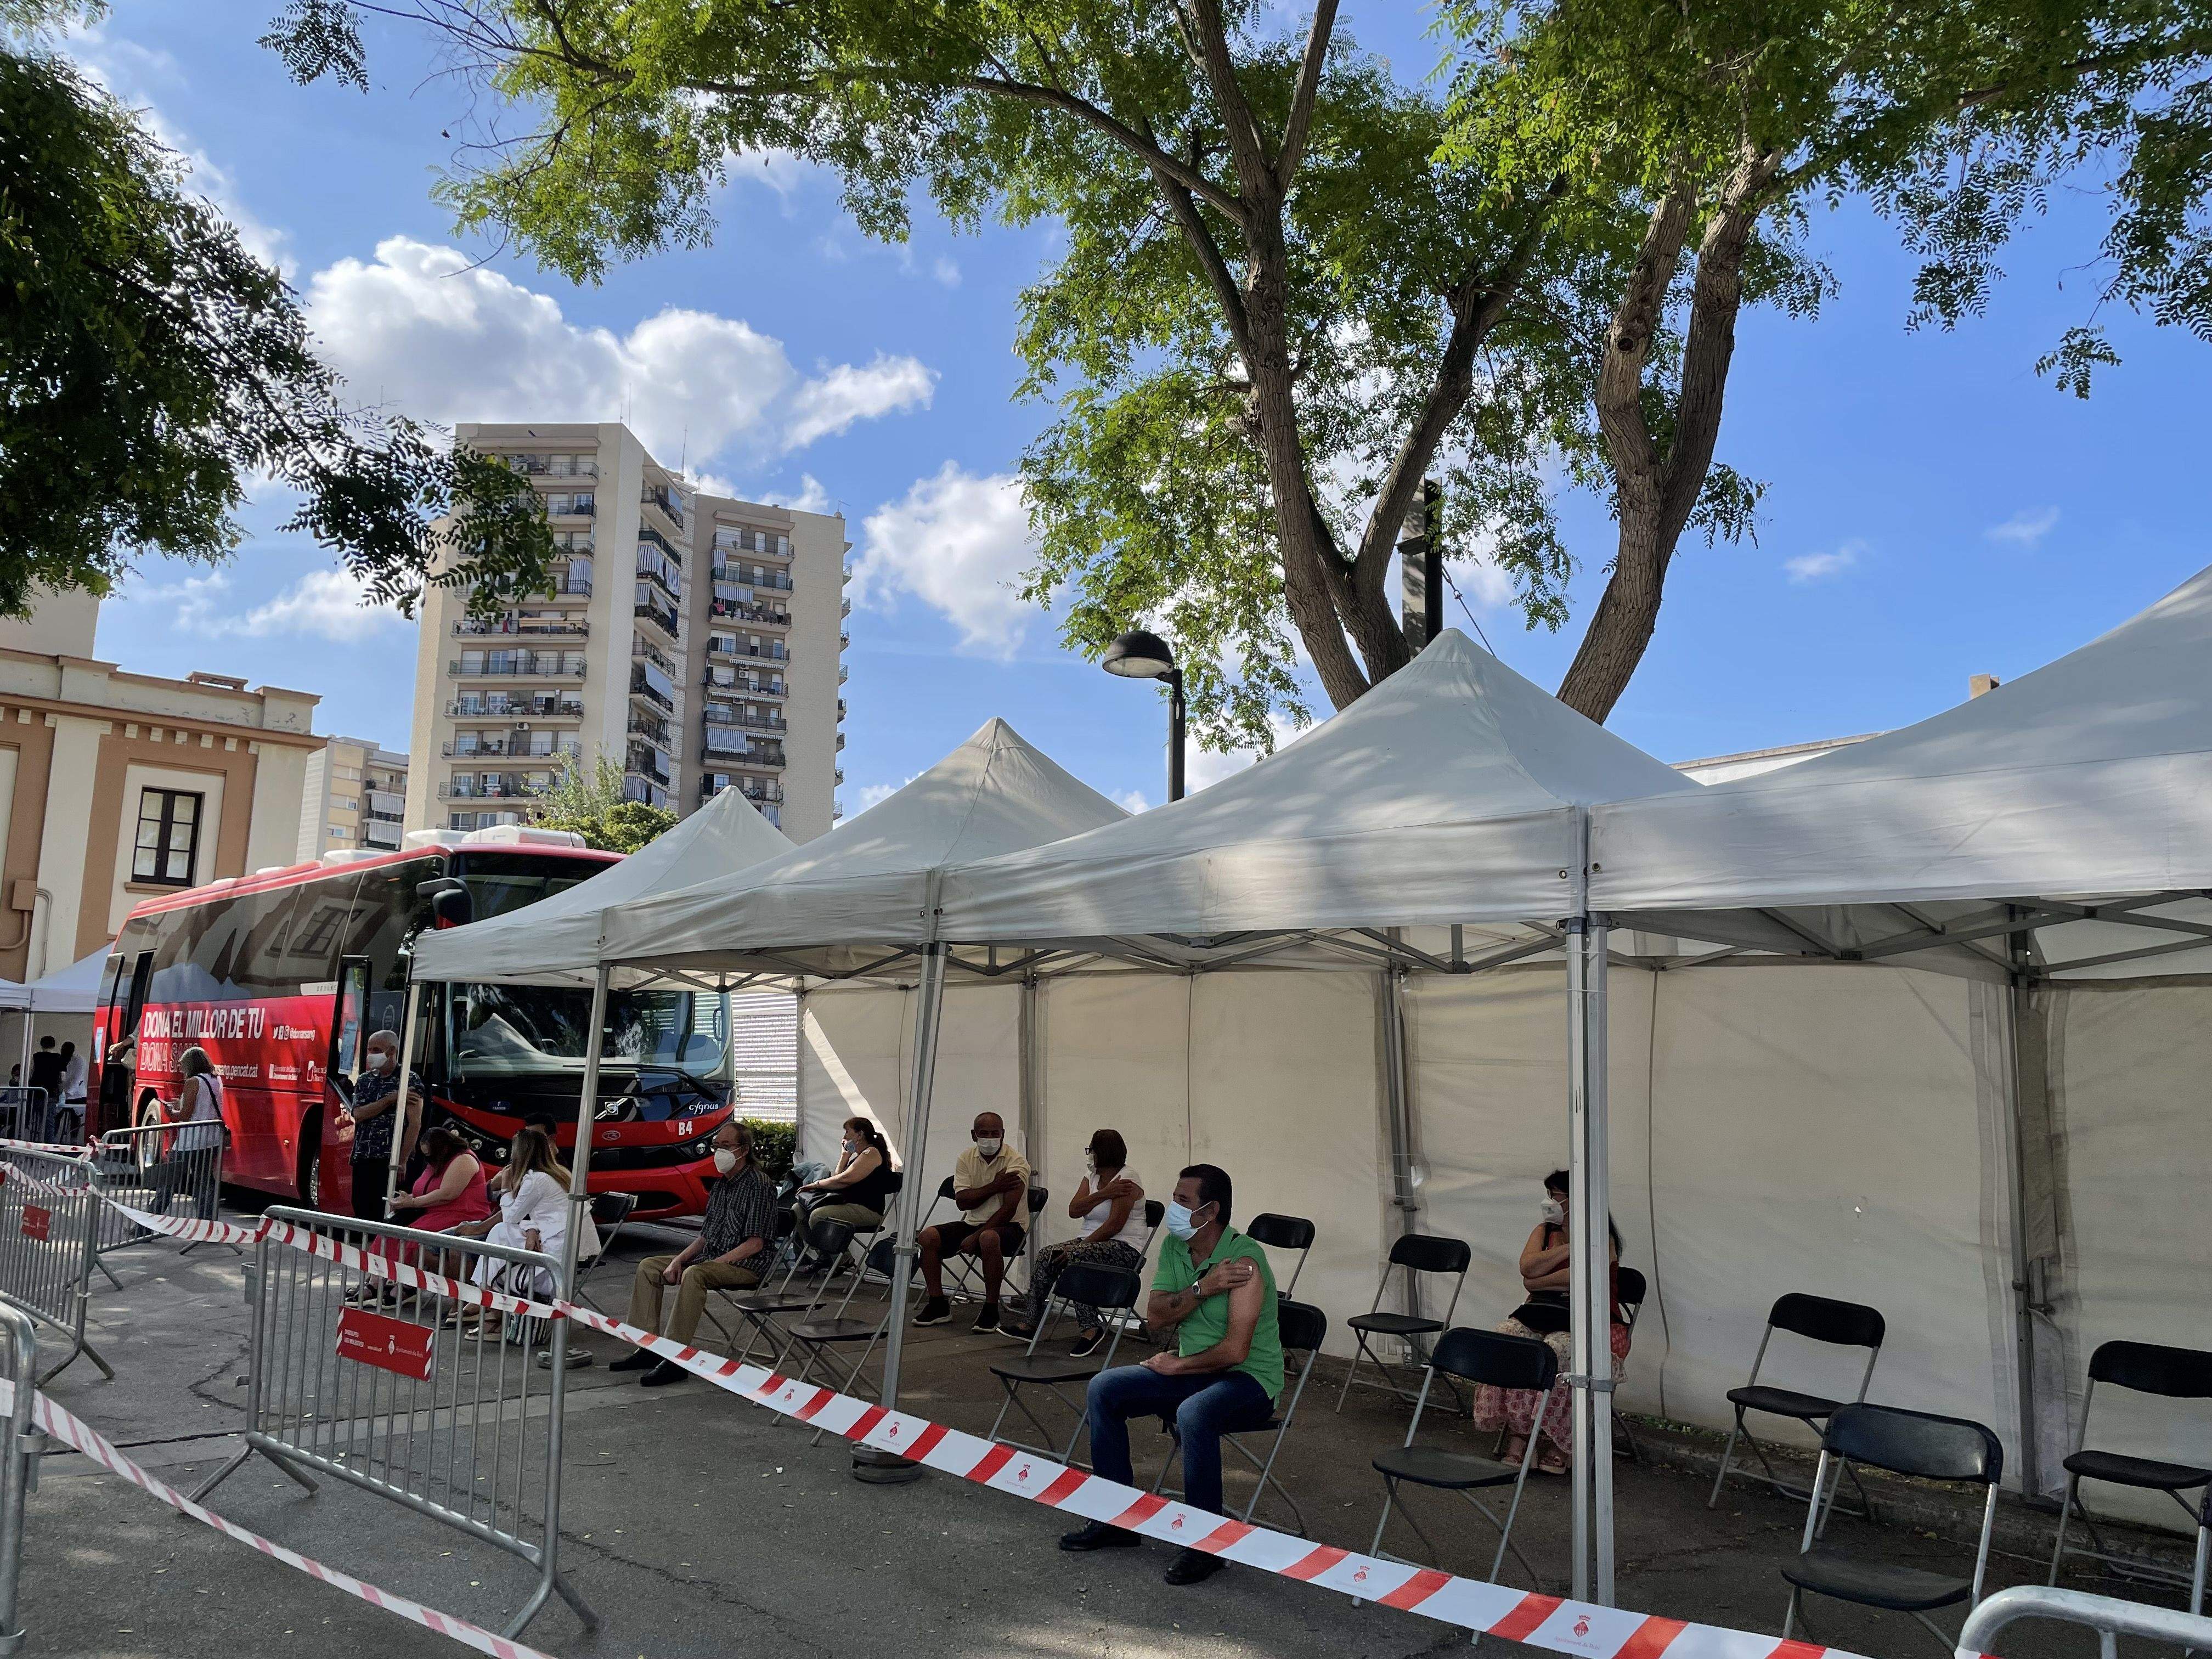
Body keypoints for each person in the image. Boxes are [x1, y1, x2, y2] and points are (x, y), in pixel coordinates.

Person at [1060, 1164, 1281, 1584]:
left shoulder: (1245, 1259)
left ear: (1210, 1210)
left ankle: (1204, 1545)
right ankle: (1116, 1520)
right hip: (1194, 1368)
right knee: (1105, 1388)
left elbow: (1236, 1351)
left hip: (1249, 1381)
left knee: (1195, 1414)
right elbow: (1157, 1317)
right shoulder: (1176, 1248)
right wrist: (1204, 1288)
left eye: (1183, 1201)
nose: (1174, 1208)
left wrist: (1177, 1364)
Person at [1469, 1169, 1630, 1477]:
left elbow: (1572, 1279)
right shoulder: (1544, 1231)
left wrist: (1540, 1279)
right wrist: (1570, 1250)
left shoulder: (1602, 1238)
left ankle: (1561, 1443)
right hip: (1543, 1314)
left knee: (1557, 1350)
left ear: (1577, 1199)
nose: (1549, 1201)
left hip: (1594, 1323)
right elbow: (1526, 1268)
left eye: (1555, 1195)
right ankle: (1521, 1435)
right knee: (1510, 1338)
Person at [610, 1121, 776, 1387]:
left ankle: (676, 1358)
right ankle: (647, 1346)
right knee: (649, 1266)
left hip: (745, 1264)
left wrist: (710, 1263)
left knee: (696, 1274)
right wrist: (678, 1260)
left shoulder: (759, 1185)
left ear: (743, 1150)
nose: (719, 1151)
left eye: (726, 1146)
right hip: (712, 1257)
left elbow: (755, 1244)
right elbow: (705, 1237)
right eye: (716, 1146)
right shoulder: (721, 1185)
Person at [1003, 1130, 1144, 1354]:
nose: (1089, 1156)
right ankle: (1030, 1323)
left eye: (1091, 1151)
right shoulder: (1092, 1178)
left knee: (1074, 1258)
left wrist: (1078, 1248)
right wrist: (1105, 1193)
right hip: (1090, 1242)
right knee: (1046, 1255)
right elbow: (1074, 1210)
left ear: (1103, 1153)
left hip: (1124, 1248)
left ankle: (1092, 1328)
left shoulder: (1127, 1179)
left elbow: (1114, 1225)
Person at [448, 1126, 600, 1334]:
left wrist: (505, 1187)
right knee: (500, 1234)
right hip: (567, 1246)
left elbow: (512, 1216)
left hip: (557, 1257)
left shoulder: (535, 1180)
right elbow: (537, 1215)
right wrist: (531, 1229)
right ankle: (488, 1301)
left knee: (500, 1236)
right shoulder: (558, 1173)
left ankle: (486, 1298)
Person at [912, 1111, 1031, 1332]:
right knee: (927, 1236)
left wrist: (976, 1236)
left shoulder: (1017, 1163)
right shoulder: (966, 1158)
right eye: (984, 1133)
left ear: (1003, 1134)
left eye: (995, 1133)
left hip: (1011, 1228)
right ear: (974, 1135)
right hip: (972, 1223)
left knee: (988, 1237)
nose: (989, 1138)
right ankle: (938, 1304)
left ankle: (991, 1309)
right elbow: (963, 1202)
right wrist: (995, 1186)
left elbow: (1008, 1210)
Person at [794, 1117, 897, 1265]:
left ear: (859, 1135)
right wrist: (844, 1156)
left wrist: (817, 1184)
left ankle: (840, 1257)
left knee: (818, 1216)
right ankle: (823, 1254)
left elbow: (845, 1180)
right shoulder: (858, 1157)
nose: (844, 1137)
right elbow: (838, 1178)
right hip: (848, 1205)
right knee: (798, 1210)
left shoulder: (871, 1153)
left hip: (867, 1210)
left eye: (847, 1132)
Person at [345, 1030, 419, 1223]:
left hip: (391, 1161)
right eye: (369, 1050)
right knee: (363, 1212)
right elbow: (359, 1114)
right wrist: (391, 1099)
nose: (371, 1055)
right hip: (364, 1157)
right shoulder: (364, 1080)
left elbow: (414, 1124)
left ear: (392, 1051)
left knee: (389, 1214)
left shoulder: (408, 1080)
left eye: (376, 1050)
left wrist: (403, 1159)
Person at [147, 1046, 224, 1221]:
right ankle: (206, 1224)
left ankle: (145, 1225)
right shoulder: (216, 1079)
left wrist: (170, 1112)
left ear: (191, 1065)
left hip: (190, 1142)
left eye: (183, 1066)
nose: (182, 1070)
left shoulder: (193, 1082)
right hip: (210, 1140)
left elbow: (185, 1115)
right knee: (204, 1184)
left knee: (167, 1185)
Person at [26, 1036, 64, 1133]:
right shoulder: (59, 1058)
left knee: (28, 1119)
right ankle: (48, 1144)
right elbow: (63, 1078)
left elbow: (29, 1074)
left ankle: (26, 1141)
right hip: (51, 1094)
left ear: (41, 1045)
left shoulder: (36, 1057)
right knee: (49, 1123)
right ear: (54, 1045)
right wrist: (61, 1092)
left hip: (35, 1093)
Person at [58, 1040, 87, 1139]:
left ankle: (73, 1140)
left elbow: (77, 1079)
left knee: (75, 1118)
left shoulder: (79, 1061)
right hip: (63, 1092)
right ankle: (52, 1139)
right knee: (56, 1116)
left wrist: (67, 1093)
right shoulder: (61, 1058)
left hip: (77, 1094)